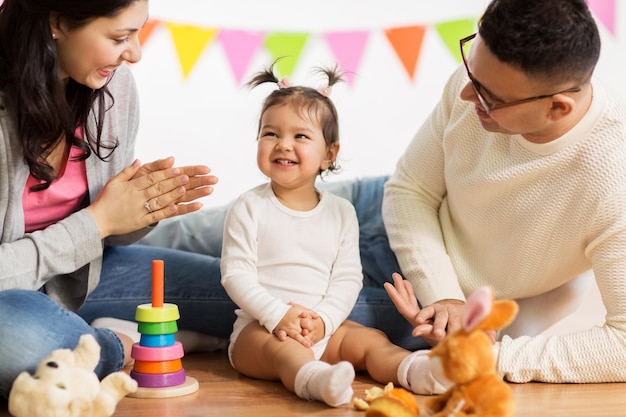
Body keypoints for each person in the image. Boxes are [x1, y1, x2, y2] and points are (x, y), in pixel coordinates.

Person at [382, 0, 626, 385]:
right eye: (470, 69)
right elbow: (409, 190)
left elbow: (624, 345)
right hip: (409, 230)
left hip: (457, 298)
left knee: (282, 320)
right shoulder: (483, 81)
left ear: (558, 108)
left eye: (489, 97)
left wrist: (490, 357)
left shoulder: (613, 180)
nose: (465, 95)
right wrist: (445, 296)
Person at [0, 0, 230, 400]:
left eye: (138, 32)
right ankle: (116, 344)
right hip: (9, 302)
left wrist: (139, 209)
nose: (135, 54)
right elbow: (93, 227)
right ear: (57, 21)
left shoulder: (112, 84)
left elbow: (107, 238)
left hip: (85, 279)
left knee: (253, 288)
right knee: (13, 341)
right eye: (120, 37)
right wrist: (98, 221)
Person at [219, 63, 444, 407]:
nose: (283, 145)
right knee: (285, 350)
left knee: (370, 340)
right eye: (270, 134)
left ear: (329, 154)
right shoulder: (249, 207)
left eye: (300, 136)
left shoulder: (341, 212)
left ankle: (415, 370)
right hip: (260, 331)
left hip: (324, 328)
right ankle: (315, 380)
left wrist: (324, 321)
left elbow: (348, 278)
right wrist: (278, 315)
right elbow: (236, 274)